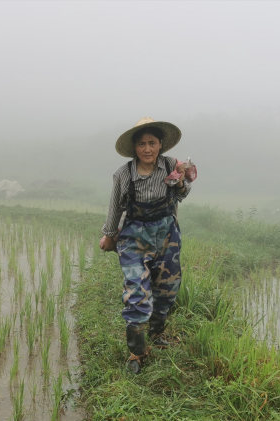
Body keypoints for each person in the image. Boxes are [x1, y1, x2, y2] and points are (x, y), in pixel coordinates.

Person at [99, 117, 192, 374]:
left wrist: (181, 179)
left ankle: (156, 332)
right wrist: (108, 235)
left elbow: (182, 195)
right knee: (137, 293)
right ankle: (136, 352)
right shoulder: (123, 175)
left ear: (161, 144)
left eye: (152, 143)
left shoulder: (171, 165)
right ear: (135, 148)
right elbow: (115, 207)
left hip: (166, 235)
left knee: (167, 290)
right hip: (133, 238)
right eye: (142, 144)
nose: (147, 149)